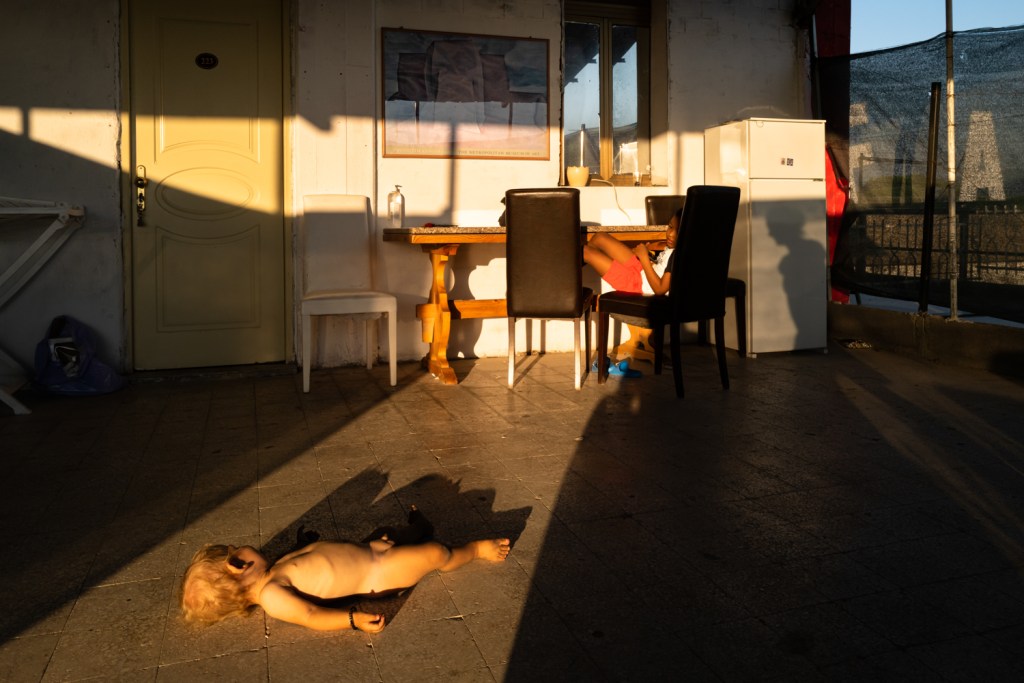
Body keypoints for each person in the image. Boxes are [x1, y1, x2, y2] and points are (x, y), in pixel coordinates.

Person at [180, 509, 511, 633]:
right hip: (381, 574)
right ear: (238, 567)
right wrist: (352, 620)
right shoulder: (272, 596)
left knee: (393, 536)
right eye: (237, 551)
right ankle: (474, 550)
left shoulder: (273, 572)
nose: (244, 547)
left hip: (372, 553)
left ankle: (417, 529)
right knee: (436, 552)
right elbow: (311, 616)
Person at [584, 207, 680, 295]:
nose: (671, 234)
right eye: (670, 227)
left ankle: (576, 294)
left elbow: (660, 290)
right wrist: (648, 255)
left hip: (638, 285)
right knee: (599, 237)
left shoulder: (678, 255)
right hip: (642, 271)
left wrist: (644, 258)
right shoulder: (672, 248)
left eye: (678, 231)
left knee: (586, 252)